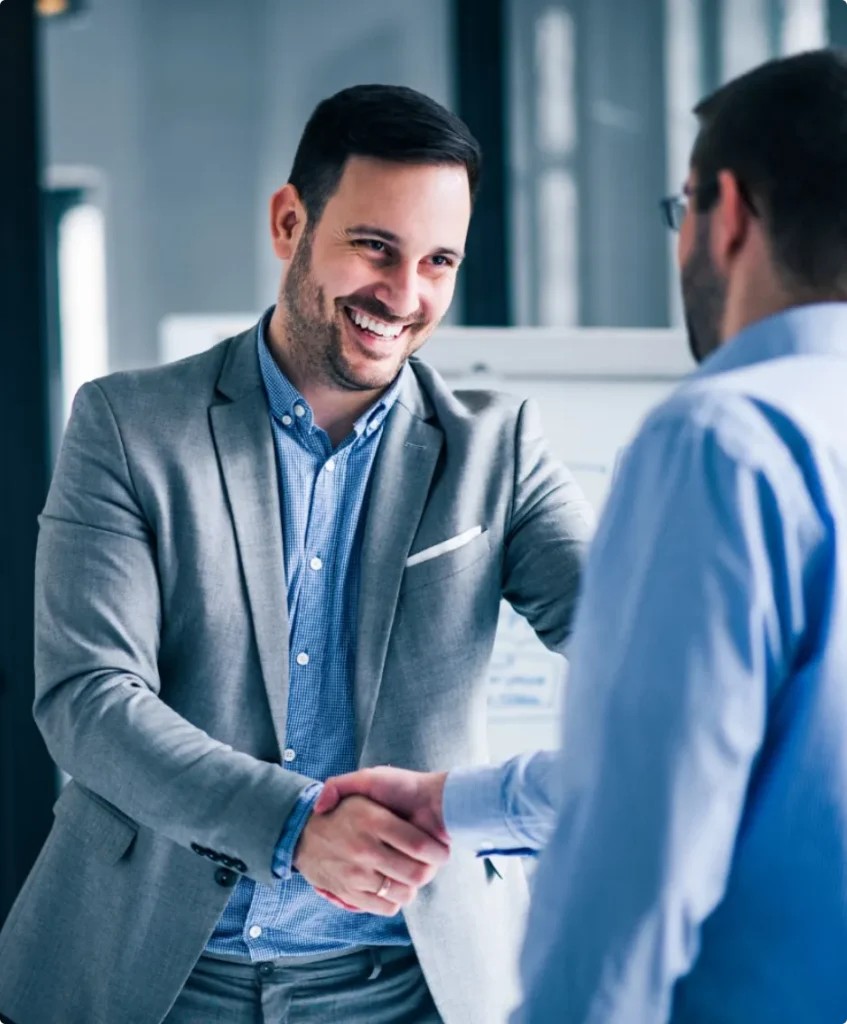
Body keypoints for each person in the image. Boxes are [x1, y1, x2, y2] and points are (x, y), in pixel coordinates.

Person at [0, 84, 593, 1024]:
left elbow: (639, 648)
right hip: (153, 972)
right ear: (290, 222)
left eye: (438, 261)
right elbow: (88, 700)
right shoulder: (126, 426)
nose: (404, 296)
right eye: (374, 247)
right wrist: (292, 828)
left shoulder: (498, 450)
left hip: (405, 986)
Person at [314, 50, 847, 1023]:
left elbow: (641, 832)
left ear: (723, 213)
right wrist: (455, 802)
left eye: (677, 209)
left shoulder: (723, 441)